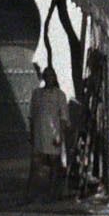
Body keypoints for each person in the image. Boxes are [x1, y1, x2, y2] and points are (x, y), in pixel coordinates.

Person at [27, 64, 70, 203]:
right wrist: (31, 133)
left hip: (53, 135)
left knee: (54, 164)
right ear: (44, 78)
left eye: (52, 76)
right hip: (39, 134)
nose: (49, 78)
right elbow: (32, 116)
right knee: (36, 164)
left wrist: (60, 136)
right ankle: (32, 194)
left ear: (55, 78)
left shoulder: (60, 95)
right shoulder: (37, 94)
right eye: (47, 75)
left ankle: (52, 194)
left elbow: (63, 118)